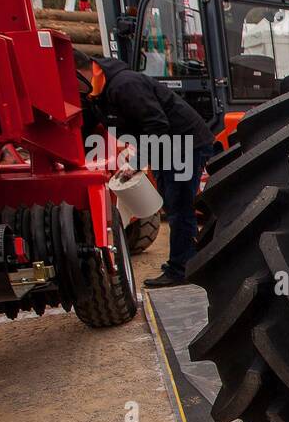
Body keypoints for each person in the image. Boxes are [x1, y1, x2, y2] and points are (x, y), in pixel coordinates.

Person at [73, 49, 214, 287]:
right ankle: (188, 258)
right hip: (164, 145)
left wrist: (138, 163)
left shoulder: (125, 85)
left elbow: (157, 124)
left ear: (78, 72)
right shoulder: (95, 91)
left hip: (183, 143)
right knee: (172, 204)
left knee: (179, 206)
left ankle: (182, 269)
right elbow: (88, 125)